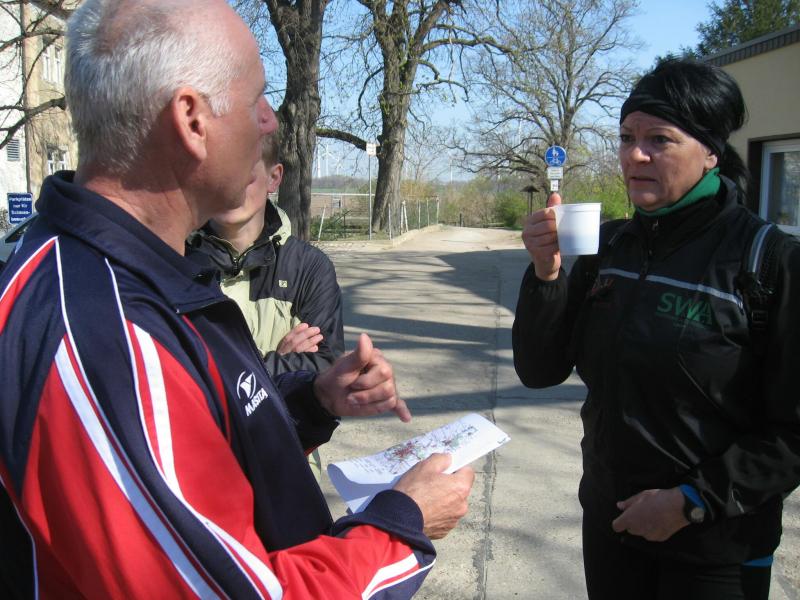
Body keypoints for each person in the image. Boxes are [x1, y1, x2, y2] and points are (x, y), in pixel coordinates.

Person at [0, 1, 474, 597]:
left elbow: (204, 452)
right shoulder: (105, 337)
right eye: (255, 99)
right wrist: (403, 523)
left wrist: (311, 402)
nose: (270, 121)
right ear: (192, 121)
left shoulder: (149, 275)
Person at [513, 58, 800, 599]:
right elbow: (539, 369)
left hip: (714, 548)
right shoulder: (608, 247)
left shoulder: (769, 262)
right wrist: (546, 275)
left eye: (659, 140)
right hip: (612, 526)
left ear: (711, 152)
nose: (635, 155)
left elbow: (792, 431)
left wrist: (692, 500)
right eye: (627, 137)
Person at [187, 129, 343, 481]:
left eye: (246, 169)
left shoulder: (309, 268)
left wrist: (230, 368)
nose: (231, 183)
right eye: (220, 168)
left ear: (274, 177)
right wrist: (277, 360)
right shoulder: (176, 260)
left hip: (288, 461)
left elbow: (325, 373)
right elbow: (174, 376)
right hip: (199, 464)